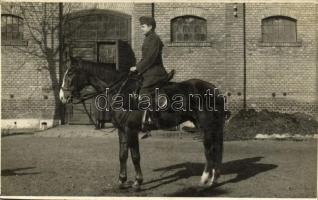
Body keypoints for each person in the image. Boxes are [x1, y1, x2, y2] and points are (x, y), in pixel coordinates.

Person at [130, 16, 169, 133]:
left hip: (156, 72)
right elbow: (144, 58)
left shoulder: (154, 39)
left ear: (150, 27)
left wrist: (137, 67)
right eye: (141, 26)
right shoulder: (148, 38)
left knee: (144, 91)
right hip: (148, 71)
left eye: (143, 26)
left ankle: (149, 121)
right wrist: (135, 68)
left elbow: (151, 58)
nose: (141, 28)